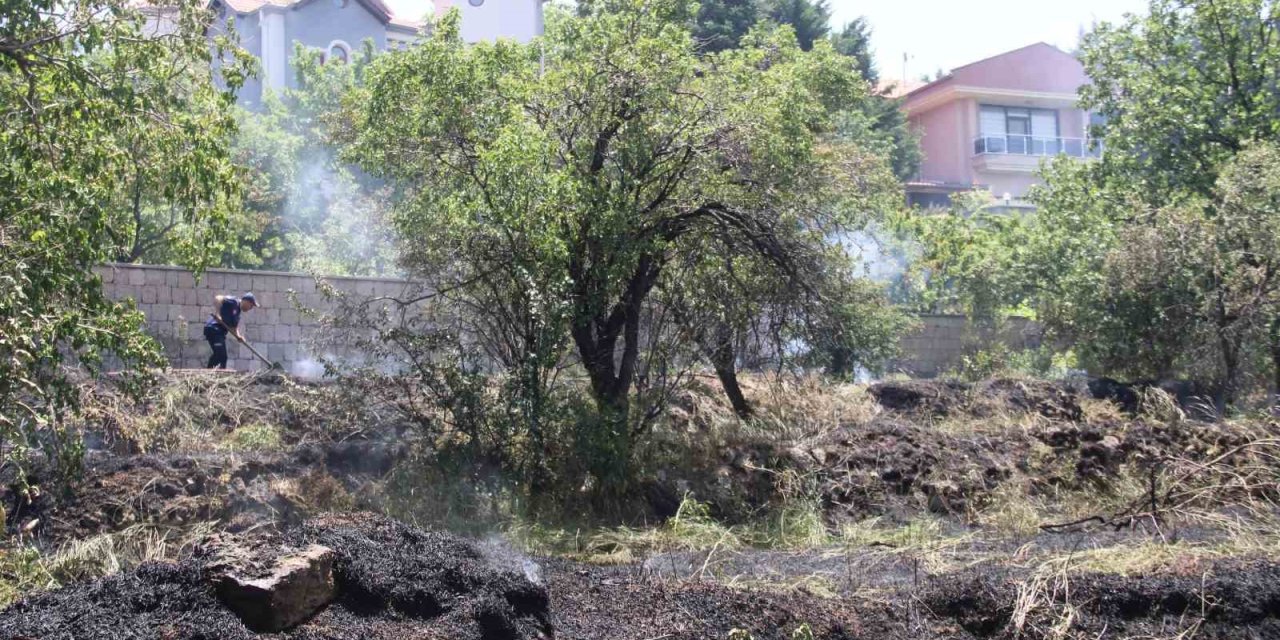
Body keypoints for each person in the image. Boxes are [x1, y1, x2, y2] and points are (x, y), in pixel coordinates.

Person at [204, 292, 257, 369]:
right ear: (246, 301)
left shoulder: (237, 313)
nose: (251, 308)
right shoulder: (234, 302)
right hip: (213, 328)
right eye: (251, 305)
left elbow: (234, 328)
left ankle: (212, 372)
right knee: (221, 355)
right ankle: (211, 373)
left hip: (219, 333)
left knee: (221, 356)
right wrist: (218, 314)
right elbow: (218, 298)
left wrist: (238, 336)